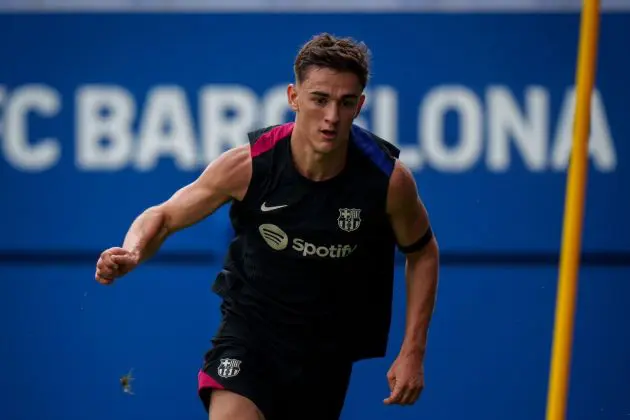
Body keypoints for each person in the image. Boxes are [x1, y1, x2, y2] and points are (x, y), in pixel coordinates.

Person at [94, 33, 439, 420]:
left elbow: (423, 252)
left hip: (326, 352)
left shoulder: (388, 180)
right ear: (294, 97)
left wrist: (413, 350)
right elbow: (165, 215)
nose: (332, 117)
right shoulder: (249, 166)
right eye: (320, 99)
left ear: (360, 105)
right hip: (249, 333)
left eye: (345, 103)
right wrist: (133, 251)